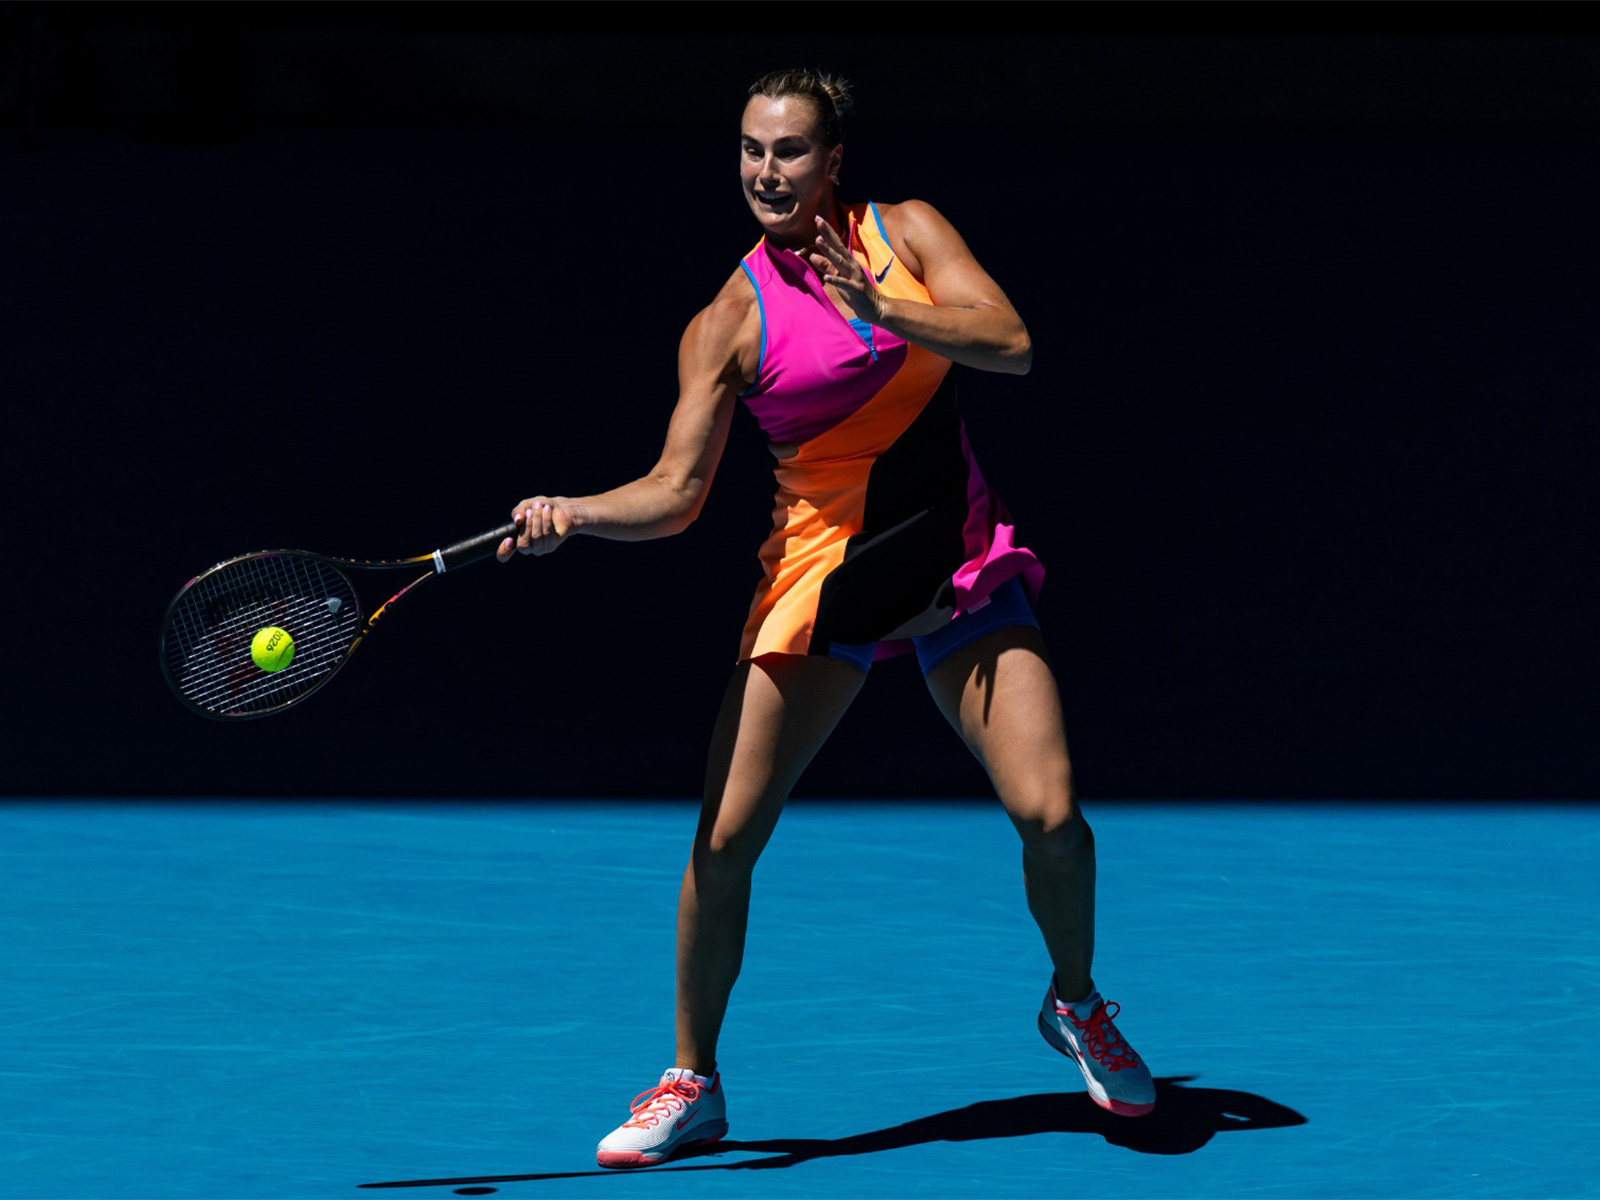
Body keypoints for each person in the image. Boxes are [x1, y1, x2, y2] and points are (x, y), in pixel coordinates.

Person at [496, 68, 1156, 1169]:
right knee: (723, 839)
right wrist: (575, 514)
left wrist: (882, 305)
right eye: (752, 150)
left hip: (957, 565)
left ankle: (1075, 1004)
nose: (767, 171)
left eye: (791, 150)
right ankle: (691, 1081)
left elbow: (1012, 344)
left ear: (832, 160)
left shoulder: (908, 233)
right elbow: (672, 494)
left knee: (1052, 818)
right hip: (822, 584)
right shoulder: (727, 320)